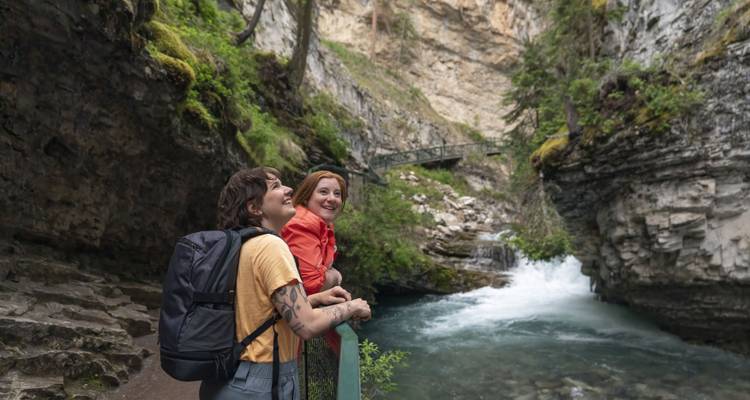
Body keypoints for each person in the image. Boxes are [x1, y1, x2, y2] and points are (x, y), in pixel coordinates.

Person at [200, 167, 371, 400]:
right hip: (259, 381)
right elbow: (307, 326)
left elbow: (260, 309)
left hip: (227, 376)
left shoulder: (242, 242)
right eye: (276, 186)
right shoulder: (271, 247)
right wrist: (352, 307)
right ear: (254, 207)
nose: (290, 189)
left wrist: (314, 299)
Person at [281, 170, 347, 296]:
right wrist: (336, 276)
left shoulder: (323, 225)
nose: (332, 198)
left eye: (337, 194)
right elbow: (311, 286)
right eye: (323, 192)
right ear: (306, 197)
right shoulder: (301, 225)